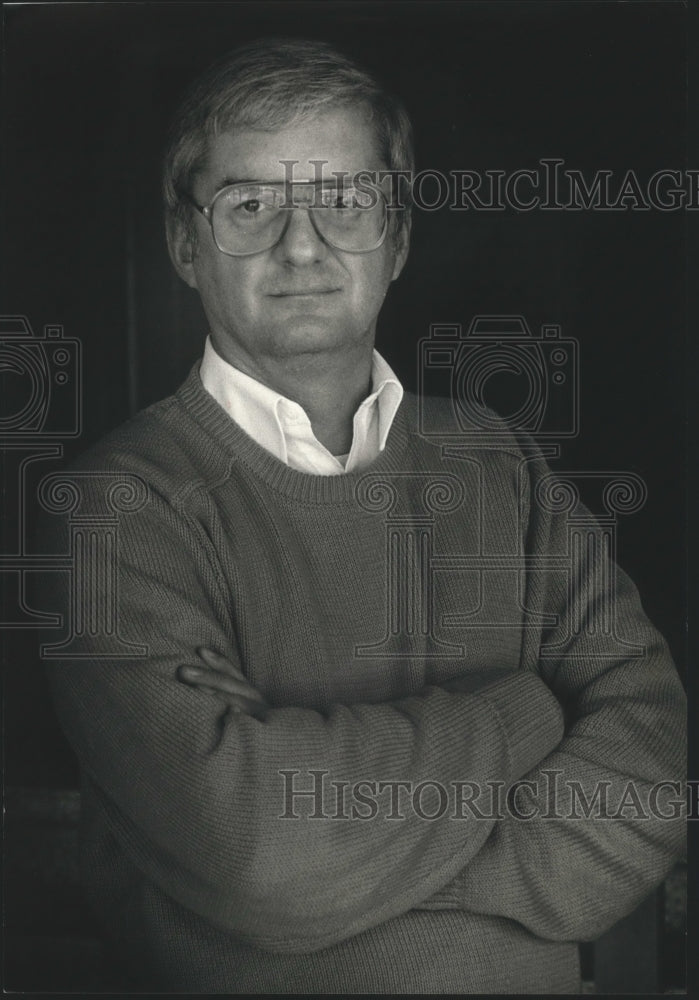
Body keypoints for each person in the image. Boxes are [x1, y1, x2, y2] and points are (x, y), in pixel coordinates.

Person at [42, 37, 686, 993]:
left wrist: (359, 862)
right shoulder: (116, 512)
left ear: (398, 238)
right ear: (185, 245)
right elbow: (260, 854)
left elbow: (653, 774)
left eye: (344, 201)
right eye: (249, 205)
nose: (300, 244)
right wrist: (526, 716)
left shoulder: (497, 464)